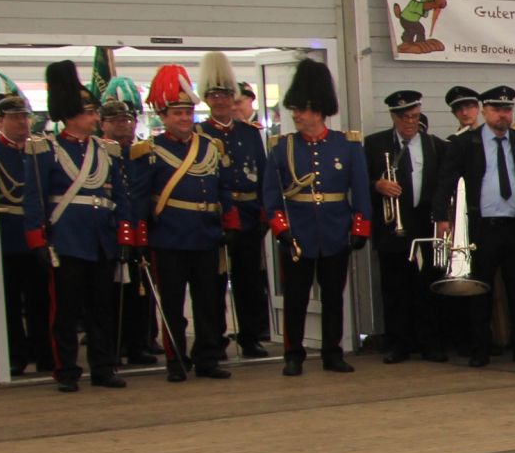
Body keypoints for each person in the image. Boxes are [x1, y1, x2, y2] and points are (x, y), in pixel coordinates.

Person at [263, 57, 373, 376]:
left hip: (335, 231)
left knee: (334, 297)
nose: (296, 115)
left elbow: (360, 191)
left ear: (319, 110)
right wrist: (281, 229)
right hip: (298, 234)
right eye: (295, 109)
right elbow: (271, 196)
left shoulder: (347, 146)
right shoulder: (282, 148)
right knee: (296, 298)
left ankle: (332, 352)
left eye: (302, 109)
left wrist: (360, 228)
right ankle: (293, 354)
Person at [22, 62, 128, 391]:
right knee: (65, 311)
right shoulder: (46, 150)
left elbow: (120, 197)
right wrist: (37, 240)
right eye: (89, 113)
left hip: (101, 240)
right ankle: (66, 370)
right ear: (72, 115)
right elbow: (35, 198)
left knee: (101, 309)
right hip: (66, 240)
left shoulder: (106, 150)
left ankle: (103, 367)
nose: (95, 118)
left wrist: (124, 235)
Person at [128, 65, 235, 381]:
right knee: (173, 305)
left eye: (188, 112)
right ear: (163, 116)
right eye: (177, 113)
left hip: (206, 236)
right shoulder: (149, 151)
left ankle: (207, 358)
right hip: (169, 238)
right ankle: (176, 360)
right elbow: (139, 200)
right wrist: (139, 238)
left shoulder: (210, 147)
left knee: (208, 302)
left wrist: (228, 224)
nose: (185, 118)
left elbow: (223, 189)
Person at [437, 85, 515, 366]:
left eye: (507, 109)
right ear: (484, 111)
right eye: (496, 109)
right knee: (480, 289)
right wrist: (441, 217)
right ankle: (480, 348)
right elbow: (446, 180)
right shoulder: (466, 143)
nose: (503, 115)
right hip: (482, 227)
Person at [364, 91, 446, 363]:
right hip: (392, 227)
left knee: (427, 284)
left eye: (415, 116)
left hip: (425, 222)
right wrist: (377, 185)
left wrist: (442, 219)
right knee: (395, 287)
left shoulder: (435, 145)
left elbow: (444, 185)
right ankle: (398, 343)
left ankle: (430, 342)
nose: (410, 122)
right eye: (404, 117)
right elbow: (360, 181)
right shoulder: (374, 144)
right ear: (393, 117)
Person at [199, 55, 271, 358]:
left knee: (249, 280)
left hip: (249, 214)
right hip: (215, 217)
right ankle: (215, 338)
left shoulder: (249, 132)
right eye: (215, 95)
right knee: (213, 281)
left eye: (226, 95)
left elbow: (263, 173)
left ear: (234, 98)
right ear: (207, 99)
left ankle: (250, 337)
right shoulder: (200, 134)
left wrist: (266, 211)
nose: (221, 101)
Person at [97, 88, 156, 369]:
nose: (123, 125)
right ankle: (114, 345)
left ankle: (139, 343)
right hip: (109, 232)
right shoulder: (98, 153)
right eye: (115, 120)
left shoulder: (143, 154)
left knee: (141, 291)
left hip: (141, 229)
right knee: (109, 295)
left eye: (127, 120)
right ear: (103, 124)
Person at [0, 91, 49, 376]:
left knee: (41, 298)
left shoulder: (40, 150)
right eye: (15, 118)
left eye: (25, 117)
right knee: (10, 302)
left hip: (37, 233)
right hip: (7, 235)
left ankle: (44, 352)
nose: (22, 123)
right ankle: (16, 354)